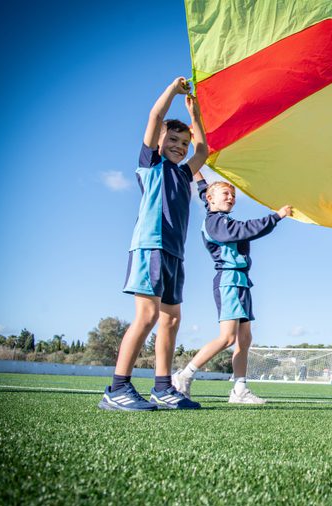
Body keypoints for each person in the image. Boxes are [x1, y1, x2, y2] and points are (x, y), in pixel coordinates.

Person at [99, 78, 207, 411]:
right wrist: (173, 93)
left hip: (175, 253)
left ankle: (163, 388)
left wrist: (196, 116)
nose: (179, 146)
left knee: (171, 319)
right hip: (150, 247)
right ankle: (117, 388)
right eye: (172, 139)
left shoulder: (185, 173)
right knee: (146, 316)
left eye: (183, 142)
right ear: (159, 142)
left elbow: (203, 150)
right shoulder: (151, 166)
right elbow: (153, 117)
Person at [172, 179, 292, 404]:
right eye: (226, 194)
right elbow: (244, 230)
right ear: (211, 199)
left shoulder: (218, 215)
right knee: (227, 337)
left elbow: (203, 193)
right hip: (229, 280)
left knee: (245, 338)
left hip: (242, 281)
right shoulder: (216, 222)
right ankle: (184, 375)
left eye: (233, 195)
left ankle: (239, 389)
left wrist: (199, 178)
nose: (231, 198)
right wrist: (276, 217)